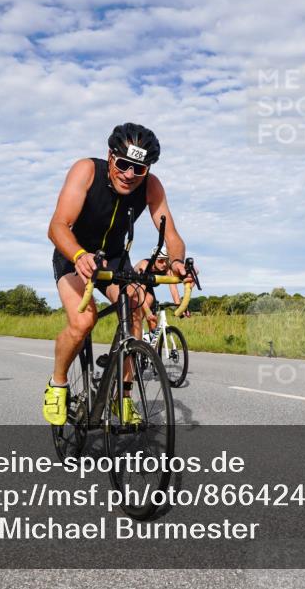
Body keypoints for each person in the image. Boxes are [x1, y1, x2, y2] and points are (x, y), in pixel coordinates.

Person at [45, 123, 194, 425]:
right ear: (110, 157)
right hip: (74, 252)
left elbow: (172, 235)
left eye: (139, 169)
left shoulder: (151, 186)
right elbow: (57, 226)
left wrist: (178, 262)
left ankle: (121, 397)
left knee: (137, 306)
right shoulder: (86, 170)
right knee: (83, 321)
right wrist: (78, 255)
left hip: (113, 257)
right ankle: (57, 383)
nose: (129, 175)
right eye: (123, 164)